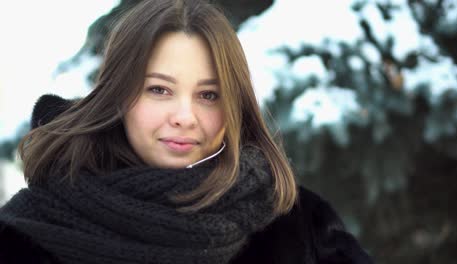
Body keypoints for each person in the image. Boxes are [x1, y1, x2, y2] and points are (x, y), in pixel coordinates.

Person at [0, 0, 373, 263]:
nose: (184, 116)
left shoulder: (296, 225)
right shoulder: (25, 234)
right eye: (159, 89)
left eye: (209, 95)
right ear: (119, 94)